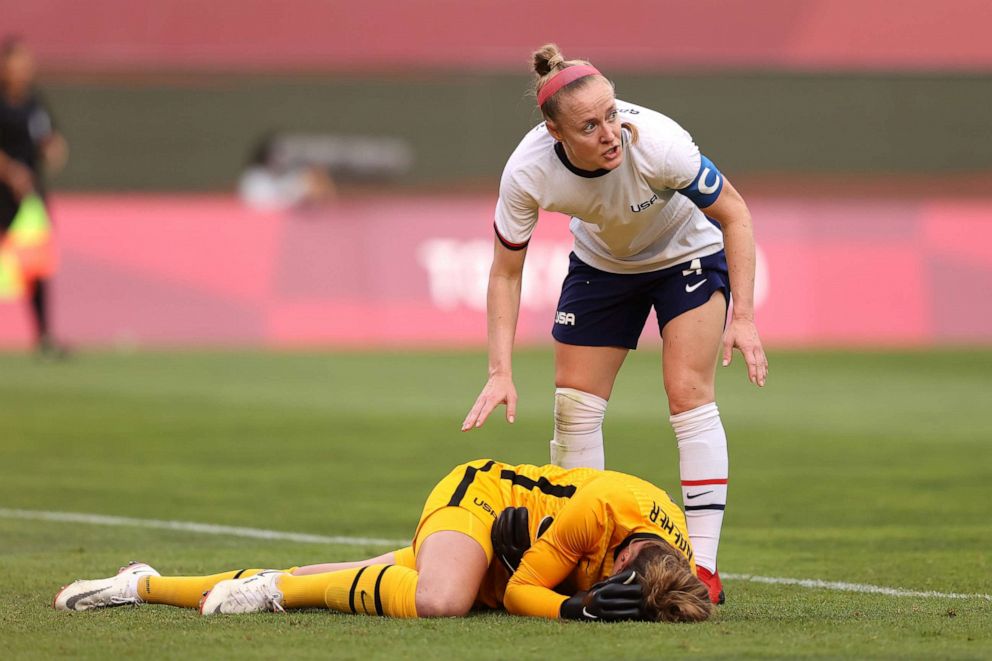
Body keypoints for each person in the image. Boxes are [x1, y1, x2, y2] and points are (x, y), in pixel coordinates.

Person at [461, 45, 769, 605]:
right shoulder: (527, 172)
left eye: (612, 113)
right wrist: (499, 371)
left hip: (687, 252)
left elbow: (734, 213)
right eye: (590, 125)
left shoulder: (658, 144)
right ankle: (581, 559)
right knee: (573, 408)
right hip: (603, 264)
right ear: (556, 134)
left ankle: (703, 569)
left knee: (689, 395)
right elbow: (507, 272)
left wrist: (743, 315)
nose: (610, 133)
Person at [54, 458, 712, 623]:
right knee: (443, 601)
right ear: (626, 550)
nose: (606, 586)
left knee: (345, 569)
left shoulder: (662, 556)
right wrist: (573, 606)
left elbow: (693, 590)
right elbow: (519, 591)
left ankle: (140, 582)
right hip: (481, 500)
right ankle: (275, 591)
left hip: (514, 546)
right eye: (613, 579)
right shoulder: (598, 514)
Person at [0, 36, 68, 357]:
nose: (25, 68)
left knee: (36, 266)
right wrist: (11, 172)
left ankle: (43, 336)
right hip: (3, 191)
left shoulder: (34, 102)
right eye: (18, 61)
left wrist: (53, 147)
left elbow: (47, 135)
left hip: (29, 197)